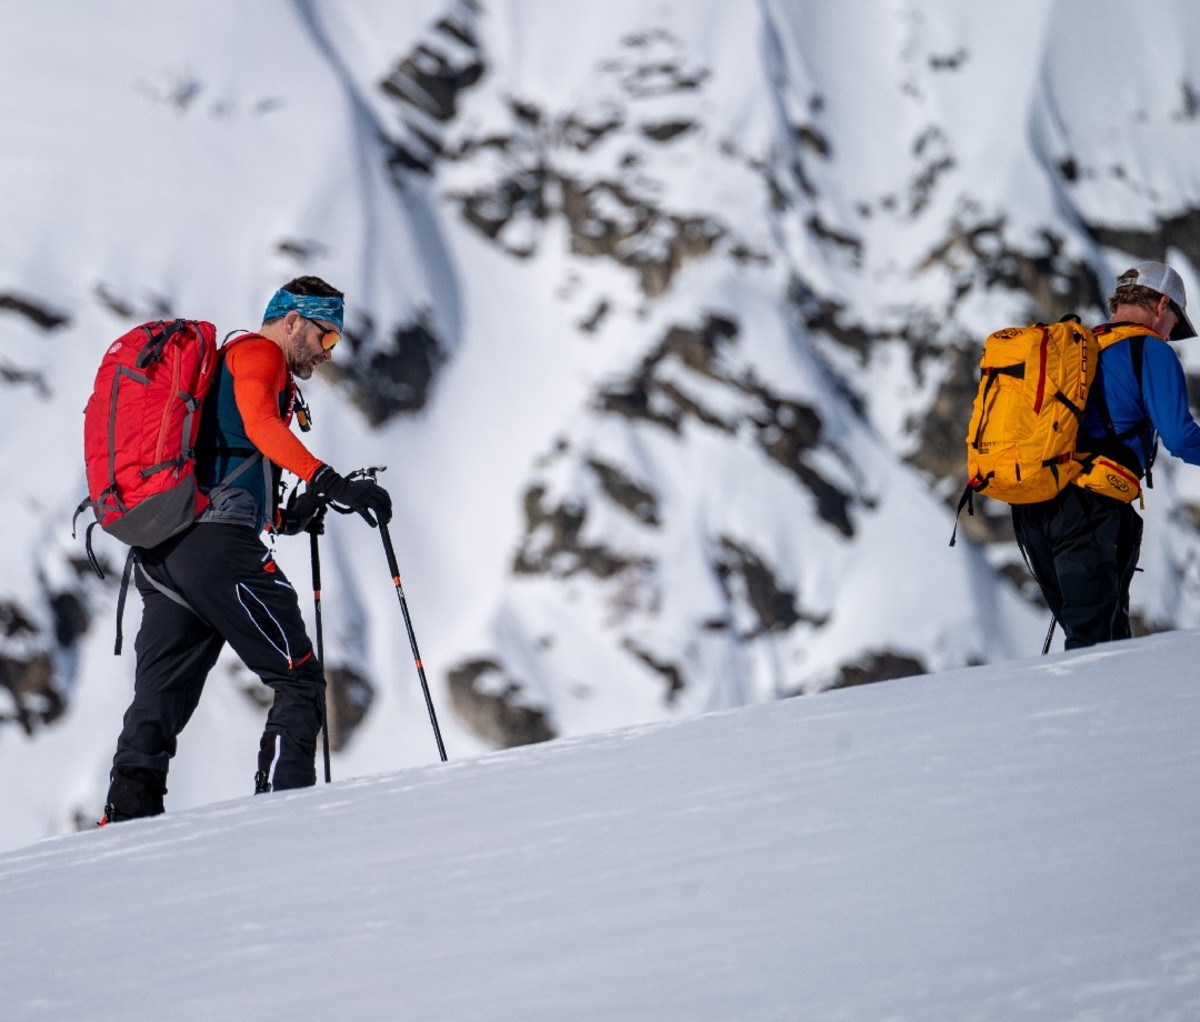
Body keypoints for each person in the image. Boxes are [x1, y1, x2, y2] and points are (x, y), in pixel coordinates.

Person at [101, 276, 392, 823]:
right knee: (298, 678)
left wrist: (284, 516)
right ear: (293, 321)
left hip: (165, 553)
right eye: (325, 337)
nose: (328, 354)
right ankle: (285, 819)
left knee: (157, 706)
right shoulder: (258, 354)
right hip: (214, 547)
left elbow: (222, 456)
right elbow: (260, 426)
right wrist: (329, 483)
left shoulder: (229, 365)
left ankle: (123, 825)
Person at [1012, 260, 1200, 649]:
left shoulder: (1077, 346)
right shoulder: (1149, 350)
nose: (1170, 335)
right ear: (1162, 305)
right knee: (1098, 647)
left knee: (1095, 639)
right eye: (1175, 325)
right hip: (1090, 507)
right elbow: (1180, 439)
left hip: (1033, 507)